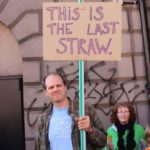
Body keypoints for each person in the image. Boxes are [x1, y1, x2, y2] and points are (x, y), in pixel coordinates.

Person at [34, 72, 107, 150]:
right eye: (51, 87)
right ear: (46, 92)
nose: (55, 89)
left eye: (58, 85)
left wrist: (90, 129)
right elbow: (37, 147)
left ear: (65, 87)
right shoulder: (42, 119)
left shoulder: (85, 109)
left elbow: (103, 142)